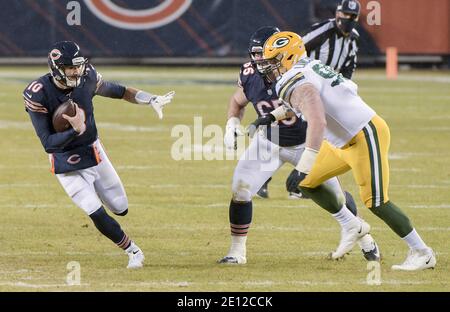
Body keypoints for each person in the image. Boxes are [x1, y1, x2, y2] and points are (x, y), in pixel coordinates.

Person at [253, 30, 435, 270]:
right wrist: (272, 116)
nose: (268, 68)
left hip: (363, 134)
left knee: (376, 201)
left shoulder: (291, 79)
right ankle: (351, 225)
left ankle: (422, 252)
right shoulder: (308, 65)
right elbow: (315, 98)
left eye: (273, 61)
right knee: (307, 183)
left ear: (288, 57)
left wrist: (304, 163)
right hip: (342, 142)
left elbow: (317, 120)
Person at [219, 27, 379, 265]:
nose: (259, 60)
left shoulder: (298, 74)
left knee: (336, 197)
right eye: (255, 54)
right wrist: (232, 121)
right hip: (269, 142)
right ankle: (237, 252)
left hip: (307, 142)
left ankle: (366, 240)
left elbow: (322, 112)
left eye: (263, 54)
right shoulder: (250, 73)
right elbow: (238, 100)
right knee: (240, 191)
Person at [23, 41, 175, 269]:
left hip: (93, 151)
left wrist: (149, 98)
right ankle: (133, 250)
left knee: (121, 207)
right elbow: (47, 143)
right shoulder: (38, 93)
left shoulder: (88, 78)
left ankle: (98, 189)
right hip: (65, 162)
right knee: (94, 210)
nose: (76, 72)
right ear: (56, 68)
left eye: (78, 66)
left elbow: (119, 91)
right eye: (70, 68)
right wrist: (74, 129)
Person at [302, 0, 360, 79]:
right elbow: (298, 47)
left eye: (353, 16)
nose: (349, 18)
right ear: (337, 13)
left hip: (330, 83)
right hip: (310, 80)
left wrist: (343, 86)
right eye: (346, 14)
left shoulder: (354, 37)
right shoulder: (323, 30)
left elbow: (349, 67)